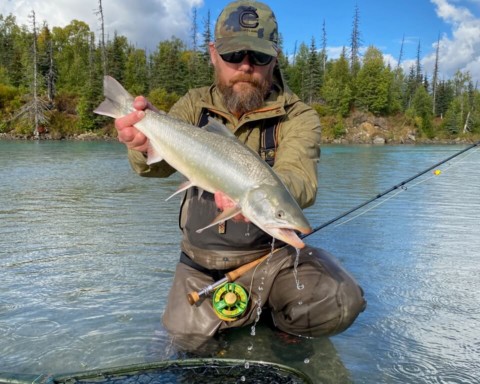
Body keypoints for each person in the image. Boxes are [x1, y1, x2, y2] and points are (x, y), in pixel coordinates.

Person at [114, 0, 366, 350]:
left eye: (259, 57)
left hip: (271, 258)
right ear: (213, 54)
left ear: (275, 57)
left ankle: (284, 324)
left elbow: (301, 181)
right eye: (234, 55)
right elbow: (155, 167)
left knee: (338, 301)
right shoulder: (192, 104)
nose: (246, 66)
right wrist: (143, 143)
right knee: (184, 344)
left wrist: (257, 195)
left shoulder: (299, 115)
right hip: (200, 264)